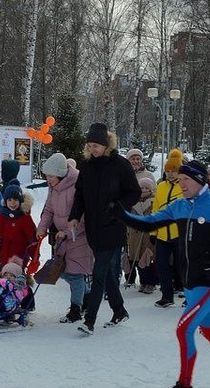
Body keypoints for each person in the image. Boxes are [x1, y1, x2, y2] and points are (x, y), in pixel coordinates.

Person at [120, 161, 210, 388]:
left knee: (184, 329)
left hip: (209, 282)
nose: (181, 184)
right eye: (179, 180)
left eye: (185, 180)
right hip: (190, 281)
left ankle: (184, 386)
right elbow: (151, 223)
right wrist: (120, 214)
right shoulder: (180, 206)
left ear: (200, 180)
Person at [67, 122, 140, 334]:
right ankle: (119, 310)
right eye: (89, 145)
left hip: (113, 227)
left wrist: (118, 207)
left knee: (98, 273)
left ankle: (89, 320)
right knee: (106, 272)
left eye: (96, 146)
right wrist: (74, 217)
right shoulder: (87, 166)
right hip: (93, 227)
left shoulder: (120, 165)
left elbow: (133, 192)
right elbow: (79, 195)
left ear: (106, 145)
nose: (93, 149)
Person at [36, 151, 95, 323]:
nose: (48, 180)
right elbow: (48, 210)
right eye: (47, 176)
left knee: (75, 274)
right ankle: (87, 297)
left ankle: (75, 310)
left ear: (60, 174)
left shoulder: (78, 185)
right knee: (63, 272)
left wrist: (69, 232)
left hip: (79, 237)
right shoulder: (53, 187)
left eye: (50, 176)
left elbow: (84, 216)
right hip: (62, 238)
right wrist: (42, 227)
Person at [152, 149, 186, 308]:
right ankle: (167, 295)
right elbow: (156, 208)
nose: (171, 174)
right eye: (168, 171)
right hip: (162, 233)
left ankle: (189, 293)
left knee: (183, 265)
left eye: (174, 171)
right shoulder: (161, 186)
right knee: (162, 264)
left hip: (179, 233)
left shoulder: (185, 187)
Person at [0, 183, 38, 270]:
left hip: (20, 257)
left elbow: (32, 238)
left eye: (15, 200)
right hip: (4, 256)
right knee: (6, 279)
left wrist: (35, 255)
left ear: (20, 201)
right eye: (9, 200)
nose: (12, 203)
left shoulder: (25, 218)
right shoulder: (2, 217)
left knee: (16, 278)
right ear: (5, 201)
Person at [123, 176, 159, 293]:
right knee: (138, 261)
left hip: (147, 236)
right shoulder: (133, 202)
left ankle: (151, 282)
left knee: (147, 260)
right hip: (134, 235)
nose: (143, 190)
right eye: (141, 188)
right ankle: (143, 282)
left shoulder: (154, 202)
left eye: (146, 188)